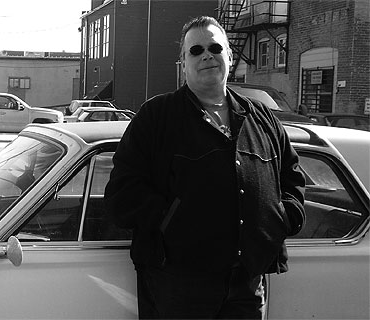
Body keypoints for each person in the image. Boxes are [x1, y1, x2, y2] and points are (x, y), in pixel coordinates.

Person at [104, 16, 306, 319]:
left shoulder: (262, 118)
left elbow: (292, 178)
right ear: (183, 63)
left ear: (230, 55)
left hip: (247, 283)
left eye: (215, 47)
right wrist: (172, 220)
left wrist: (283, 217)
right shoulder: (156, 117)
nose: (206, 55)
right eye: (195, 51)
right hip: (178, 283)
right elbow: (122, 192)